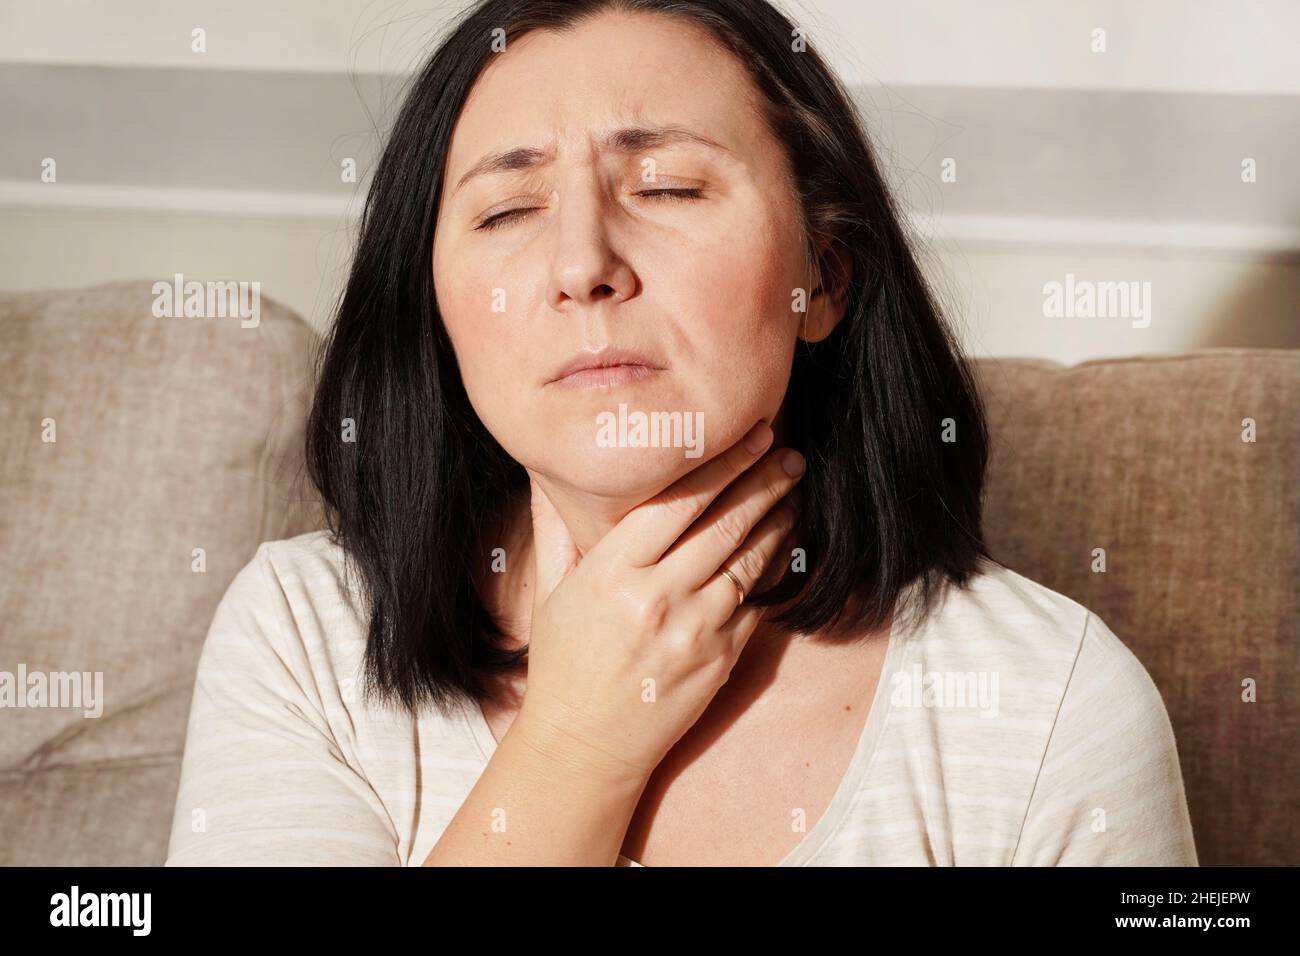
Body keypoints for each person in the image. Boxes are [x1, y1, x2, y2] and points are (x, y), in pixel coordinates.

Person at [165, 0, 1197, 867]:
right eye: (505, 211)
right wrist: (577, 743)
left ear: (824, 275)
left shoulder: (1049, 702)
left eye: (664, 186)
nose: (582, 262)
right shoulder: (300, 636)